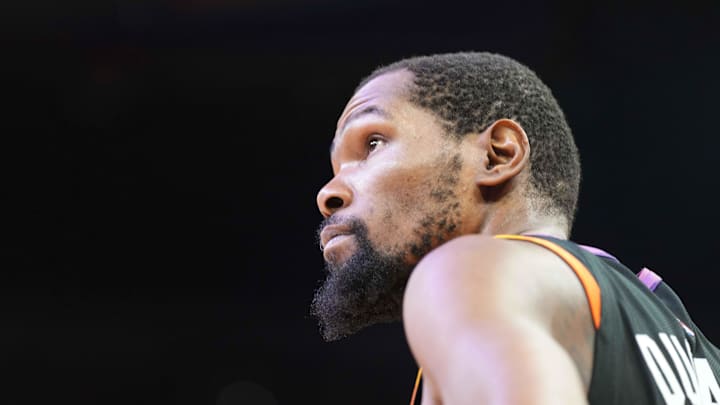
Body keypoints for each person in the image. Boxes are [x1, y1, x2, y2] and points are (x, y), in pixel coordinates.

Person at [310, 51, 720, 404]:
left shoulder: (467, 272)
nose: (328, 192)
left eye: (373, 143)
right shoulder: (700, 356)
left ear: (497, 155)